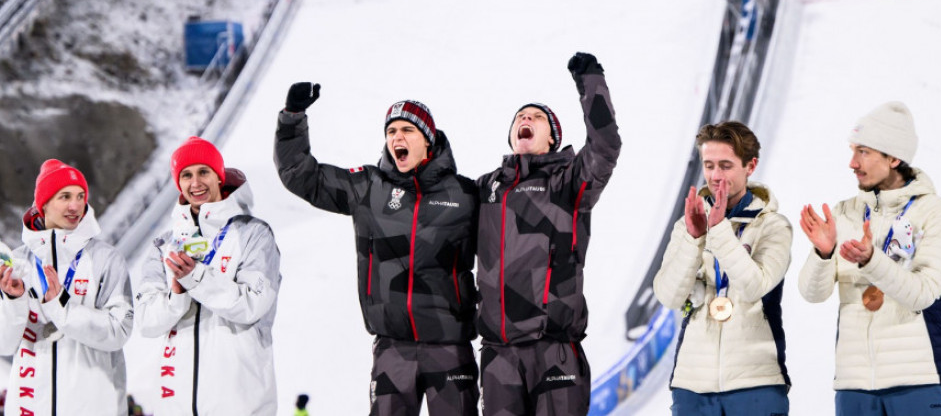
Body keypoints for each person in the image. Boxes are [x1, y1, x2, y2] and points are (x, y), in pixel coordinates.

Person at [274, 89, 479, 416]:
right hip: (392, 348)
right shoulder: (369, 187)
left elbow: (506, 246)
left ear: (428, 139)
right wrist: (292, 119)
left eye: (407, 130)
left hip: (451, 347)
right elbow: (302, 175)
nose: (397, 136)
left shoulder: (465, 194)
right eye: (391, 131)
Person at [476, 51, 621, 416]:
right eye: (520, 117)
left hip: (553, 350)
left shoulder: (568, 181)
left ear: (552, 138)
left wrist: (591, 82)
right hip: (498, 357)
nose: (526, 118)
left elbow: (605, 147)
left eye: (537, 117)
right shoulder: (483, 190)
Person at [799, 101, 941, 414]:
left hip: (920, 379)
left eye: (863, 152)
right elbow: (811, 294)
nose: (852, 162)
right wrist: (824, 252)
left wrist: (872, 260)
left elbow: (924, 294)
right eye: (852, 150)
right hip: (854, 386)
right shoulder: (843, 213)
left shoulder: (936, 213)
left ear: (893, 157)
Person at [653, 121, 792, 415]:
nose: (715, 176)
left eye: (726, 165)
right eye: (709, 165)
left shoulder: (773, 226)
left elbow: (755, 285)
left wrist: (718, 230)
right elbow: (669, 296)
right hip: (692, 385)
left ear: (750, 166)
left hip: (756, 383)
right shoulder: (687, 224)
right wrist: (693, 239)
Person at [135, 136, 281, 415]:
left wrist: (196, 277)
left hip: (239, 401)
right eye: (186, 175)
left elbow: (253, 304)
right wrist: (176, 295)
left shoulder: (253, 234)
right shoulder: (164, 245)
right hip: (174, 403)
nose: (195, 183)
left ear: (218, 176)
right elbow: (146, 322)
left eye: (204, 172)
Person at [0, 159, 134, 415]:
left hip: (92, 406)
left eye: (80, 196)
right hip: (29, 406)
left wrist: (61, 306)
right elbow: (4, 344)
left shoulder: (105, 259)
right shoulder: (17, 263)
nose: (75, 205)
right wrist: (13, 300)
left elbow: (119, 331)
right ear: (44, 205)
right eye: (64, 197)